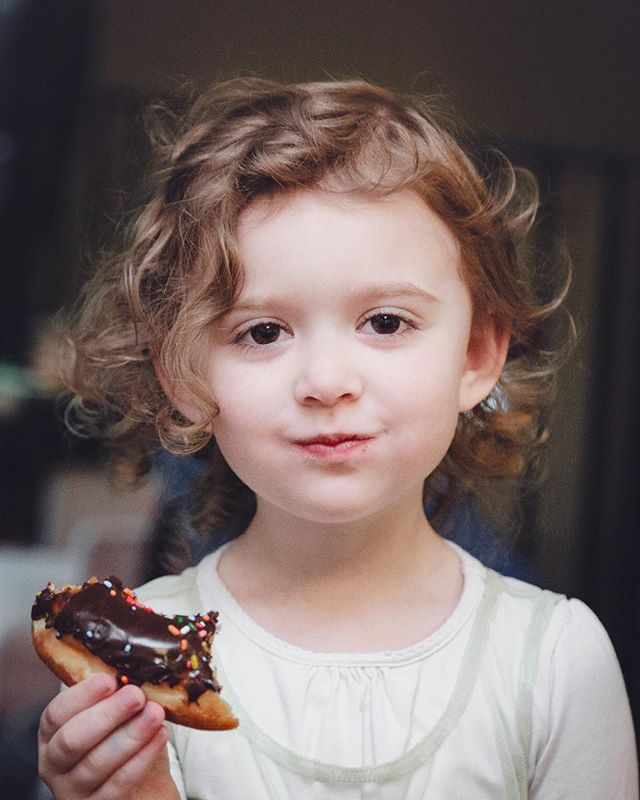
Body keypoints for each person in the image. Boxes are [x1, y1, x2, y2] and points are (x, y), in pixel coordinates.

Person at [37, 78, 637, 799]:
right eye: (262, 331)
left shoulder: (554, 663)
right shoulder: (137, 668)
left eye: (386, 322)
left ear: (477, 356)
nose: (326, 380)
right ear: (184, 375)